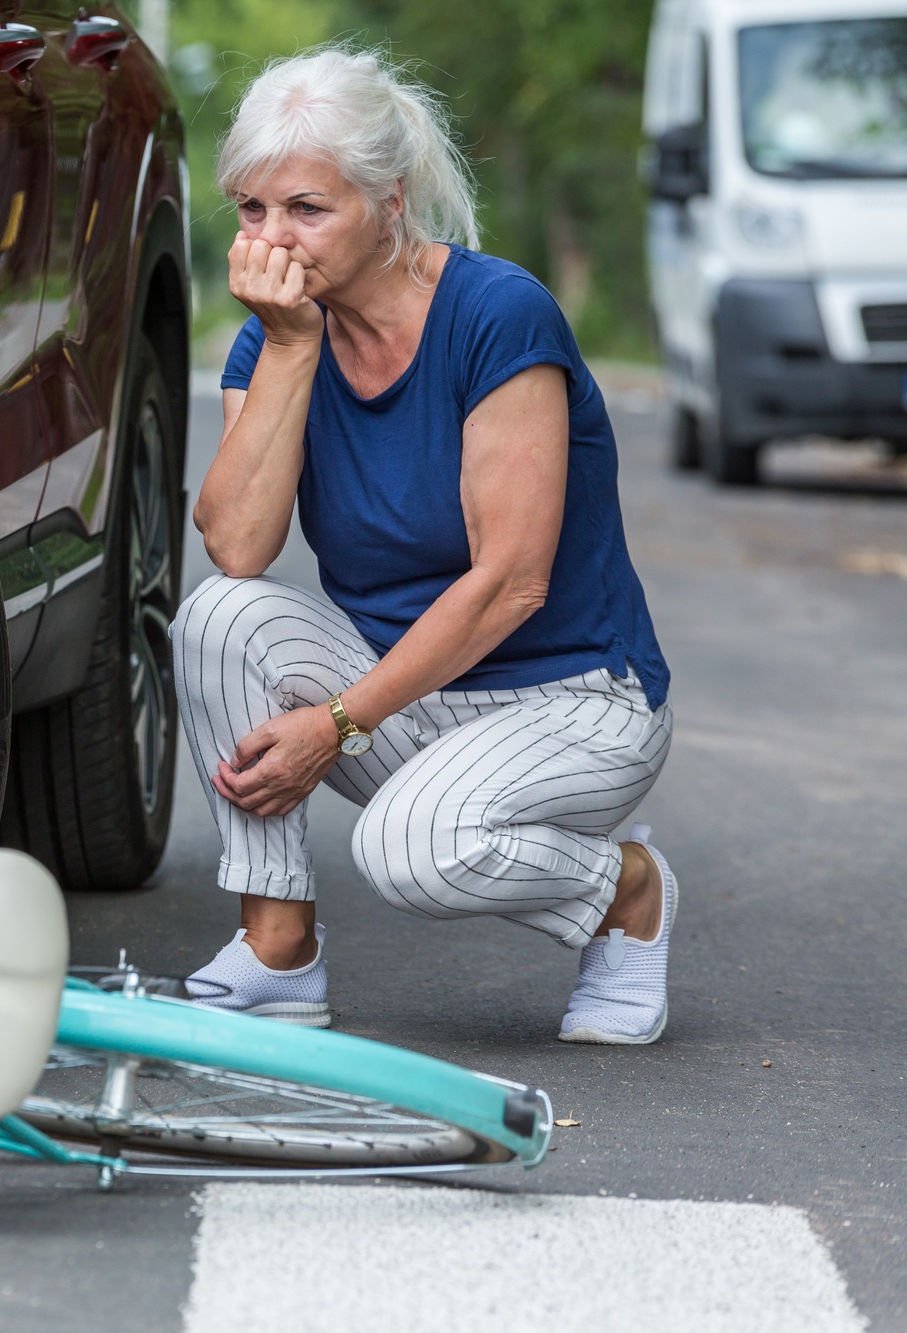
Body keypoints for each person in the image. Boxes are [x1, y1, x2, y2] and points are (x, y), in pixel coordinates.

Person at [176, 47, 677, 1044]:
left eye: (304, 209)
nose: (271, 240)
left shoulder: (497, 316)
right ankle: (277, 950)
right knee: (218, 616)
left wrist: (335, 723)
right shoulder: (276, 336)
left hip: (573, 701)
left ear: (388, 202)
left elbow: (509, 583)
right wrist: (285, 349)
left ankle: (625, 890)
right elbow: (236, 547)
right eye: (249, 210)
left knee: (411, 850)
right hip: (410, 694)